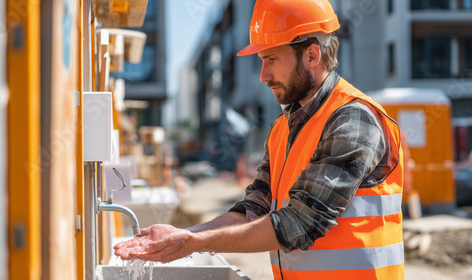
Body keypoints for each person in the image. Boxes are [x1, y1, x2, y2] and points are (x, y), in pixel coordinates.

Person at [114, 0, 404, 279]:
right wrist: (187, 235)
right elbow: (254, 209)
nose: (264, 75)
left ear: (312, 56)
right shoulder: (283, 128)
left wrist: (193, 244)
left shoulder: (353, 119)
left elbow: (300, 224)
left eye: (271, 59)